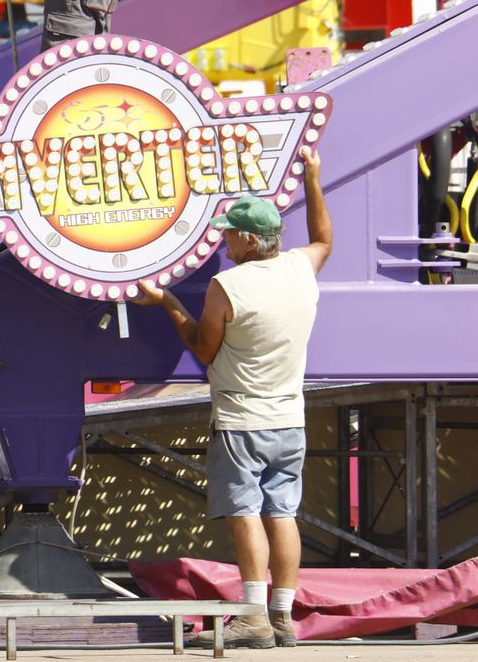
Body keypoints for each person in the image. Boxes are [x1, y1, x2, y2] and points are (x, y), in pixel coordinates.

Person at [133, 146, 331, 650]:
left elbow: (202, 346)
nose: (223, 240)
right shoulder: (301, 268)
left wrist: (169, 302)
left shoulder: (229, 286)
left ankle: (253, 617)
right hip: (290, 419)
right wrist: (313, 177)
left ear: (245, 239)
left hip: (242, 420)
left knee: (246, 514)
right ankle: (283, 616)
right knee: (282, 515)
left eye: (228, 233)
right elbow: (324, 238)